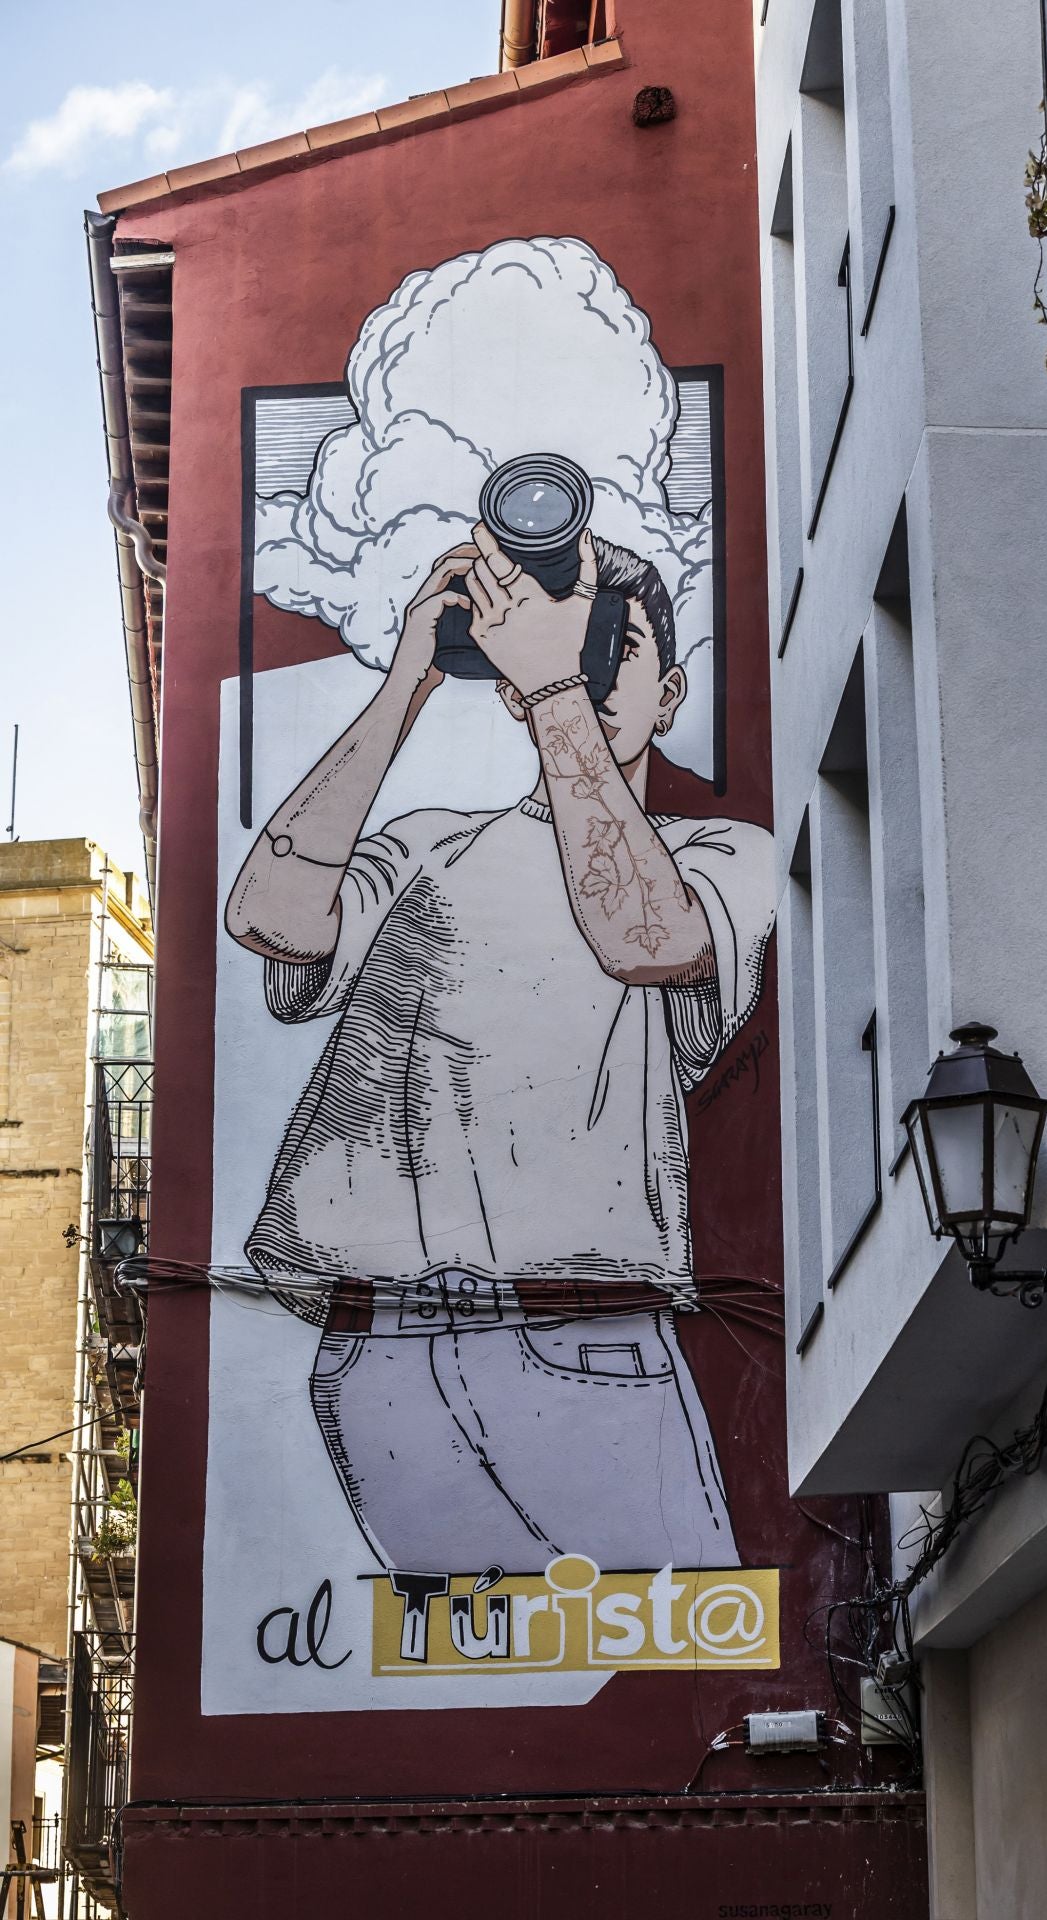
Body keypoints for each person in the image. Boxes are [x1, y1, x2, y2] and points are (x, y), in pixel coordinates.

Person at [225, 524, 775, 1583]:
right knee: (479, 1682)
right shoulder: (431, 841)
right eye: (575, 645)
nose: (594, 668)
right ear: (512, 687)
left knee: (679, 1668)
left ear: (672, 695)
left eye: (620, 647)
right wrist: (407, 683)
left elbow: (642, 940)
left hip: (581, 1332)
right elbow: (271, 920)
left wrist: (557, 691)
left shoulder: (723, 855)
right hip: (376, 1343)